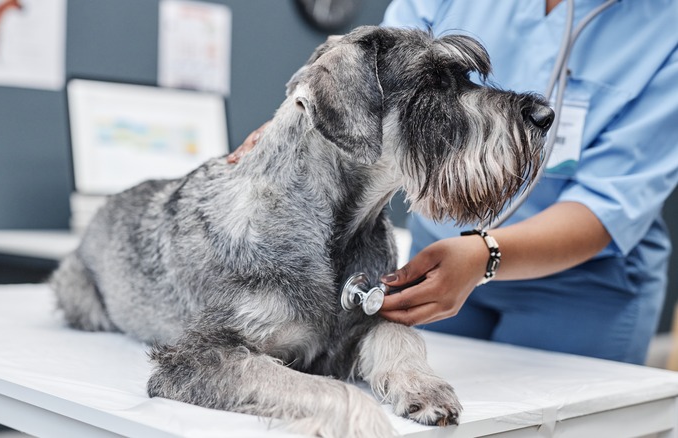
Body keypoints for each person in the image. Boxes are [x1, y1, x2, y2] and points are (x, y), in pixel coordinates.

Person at [231, 0, 678, 365]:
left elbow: (608, 203)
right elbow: (365, 70)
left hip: (579, 287)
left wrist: (484, 256)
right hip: (436, 259)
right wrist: (283, 130)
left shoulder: (665, 30)